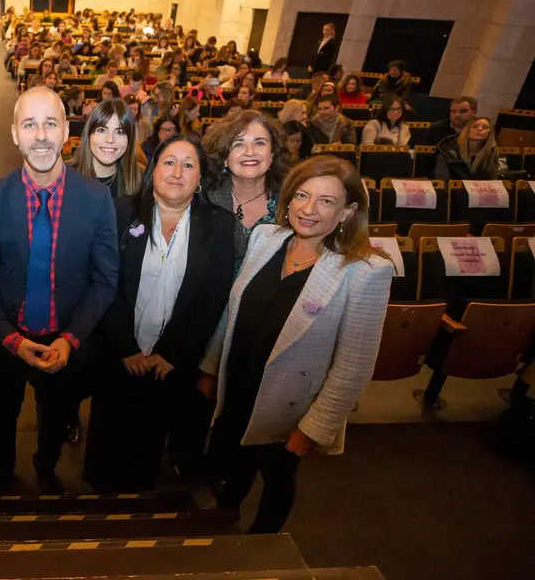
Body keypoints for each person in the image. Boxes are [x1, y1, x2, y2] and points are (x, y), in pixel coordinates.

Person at [200, 155, 392, 534]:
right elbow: (233, 310)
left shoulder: (365, 270)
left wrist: (314, 428)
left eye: (326, 201)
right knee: (233, 463)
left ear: (348, 211)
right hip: (239, 383)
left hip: (289, 407)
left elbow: (355, 365)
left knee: (276, 478)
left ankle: (263, 543)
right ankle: (226, 514)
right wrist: (210, 366)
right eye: (302, 196)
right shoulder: (266, 238)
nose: (308, 210)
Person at [0, 87, 119, 494]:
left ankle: (46, 468)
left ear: (67, 131)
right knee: (3, 412)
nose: (40, 135)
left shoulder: (95, 199)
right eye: (30, 124)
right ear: (15, 134)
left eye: (50, 124)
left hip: (65, 342)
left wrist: (70, 340)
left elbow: (104, 280)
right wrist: (10, 339)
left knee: (54, 415)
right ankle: (2, 474)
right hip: (7, 339)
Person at [84, 134, 236, 491]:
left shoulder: (219, 225)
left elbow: (213, 296)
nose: (177, 172)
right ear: (153, 169)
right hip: (119, 353)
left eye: (189, 165)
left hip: (171, 362)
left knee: (149, 448)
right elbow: (104, 282)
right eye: (169, 162)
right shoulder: (119, 212)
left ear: (200, 178)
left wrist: (173, 353)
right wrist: (126, 348)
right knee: (108, 439)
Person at [203, 109, 288, 265]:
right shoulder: (203, 201)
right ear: (224, 158)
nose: (250, 152)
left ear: (273, 153)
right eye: (238, 144)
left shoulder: (292, 204)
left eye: (260, 143)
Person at [72, 99, 143, 200]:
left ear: (129, 139)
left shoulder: (142, 178)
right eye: (102, 130)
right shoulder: (63, 177)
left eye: (120, 132)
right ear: (89, 135)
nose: (110, 139)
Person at [434, 117, 503, 181]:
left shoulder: (492, 151)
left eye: (485, 127)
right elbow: (442, 180)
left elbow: (493, 178)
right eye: (475, 126)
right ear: (467, 130)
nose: (480, 129)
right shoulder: (447, 149)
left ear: (490, 132)